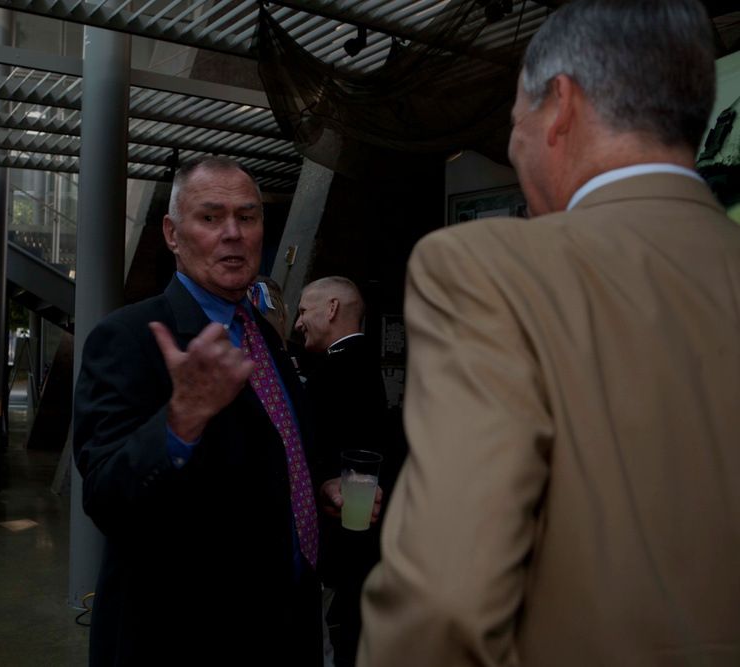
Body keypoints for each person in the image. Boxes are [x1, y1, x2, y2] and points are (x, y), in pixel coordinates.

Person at [358, 1, 740, 666]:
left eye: (515, 122)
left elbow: (445, 602)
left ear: (559, 106)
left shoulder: (486, 269)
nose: (515, 145)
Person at [73, 156, 324, 666]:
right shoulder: (129, 338)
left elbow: (272, 458)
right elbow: (106, 497)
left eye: (247, 217)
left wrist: (321, 490)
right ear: (171, 232)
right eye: (210, 217)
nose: (233, 233)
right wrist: (179, 419)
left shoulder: (264, 334)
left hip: (287, 626)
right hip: (187, 637)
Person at [294, 276, 388, 667]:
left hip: (339, 538)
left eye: (302, 311)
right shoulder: (364, 363)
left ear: (330, 309)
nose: (298, 323)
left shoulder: (336, 370)